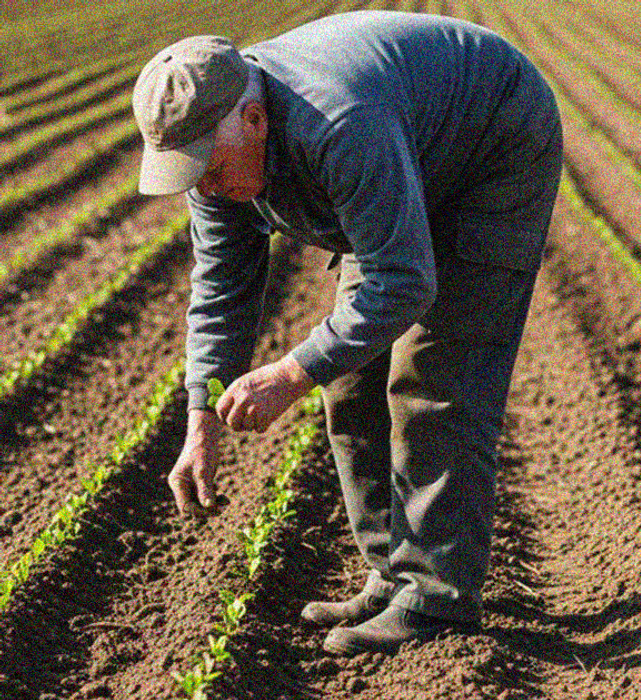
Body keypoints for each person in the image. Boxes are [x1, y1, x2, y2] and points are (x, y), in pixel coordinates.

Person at [130, 11, 562, 655]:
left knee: (433, 380)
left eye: (211, 168)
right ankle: (390, 574)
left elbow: (404, 281)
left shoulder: (338, 123)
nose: (207, 187)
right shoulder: (215, 156)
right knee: (350, 377)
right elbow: (221, 289)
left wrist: (290, 372)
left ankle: (436, 598)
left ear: (255, 119)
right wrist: (201, 419)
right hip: (401, 154)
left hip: (491, 147)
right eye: (192, 173)